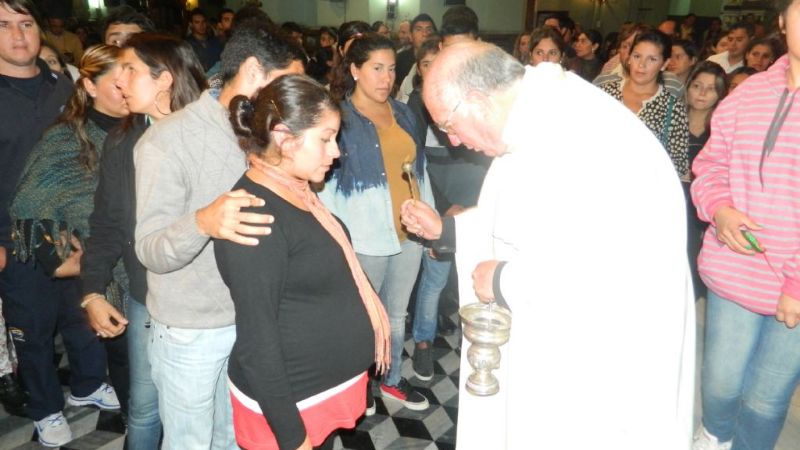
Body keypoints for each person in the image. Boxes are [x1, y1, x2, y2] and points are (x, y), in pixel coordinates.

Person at [400, 40, 694, 450]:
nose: (451, 140)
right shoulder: (533, 119)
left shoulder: (581, 135)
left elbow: (613, 268)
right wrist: (448, 232)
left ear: (477, 99)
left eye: (449, 124)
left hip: (599, 376)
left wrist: (504, 281)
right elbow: (525, 222)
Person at [133, 24, 302, 449]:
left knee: (232, 439)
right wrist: (203, 223)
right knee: (190, 442)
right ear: (252, 71)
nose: (293, 98)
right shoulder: (168, 140)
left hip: (252, 321)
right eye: (286, 83)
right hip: (192, 328)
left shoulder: (267, 134)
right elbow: (149, 248)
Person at [218, 73, 390, 450]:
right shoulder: (254, 214)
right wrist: (292, 437)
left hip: (318, 390)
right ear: (285, 138)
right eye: (325, 139)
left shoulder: (296, 192)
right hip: (289, 405)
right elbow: (257, 340)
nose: (336, 152)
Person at [79, 33, 207, 450]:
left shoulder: (212, 132)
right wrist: (92, 291)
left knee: (208, 407)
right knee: (145, 406)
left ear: (164, 79)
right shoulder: (123, 140)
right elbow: (108, 223)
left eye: (129, 71)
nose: (119, 83)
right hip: (146, 294)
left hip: (209, 301)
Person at [690, 0, 800, 448]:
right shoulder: (747, 94)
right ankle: (715, 435)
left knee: (766, 399)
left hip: (795, 287)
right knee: (719, 384)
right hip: (736, 268)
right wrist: (719, 208)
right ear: (781, 21)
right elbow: (710, 165)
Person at [9, 43, 127, 447]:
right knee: (37, 332)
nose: (128, 87)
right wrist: (59, 256)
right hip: (67, 256)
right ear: (89, 85)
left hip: (117, 261)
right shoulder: (67, 137)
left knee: (88, 333)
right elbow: (31, 200)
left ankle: (90, 385)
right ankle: (45, 408)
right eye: (118, 80)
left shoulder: (143, 126)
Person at [322, 33, 434, 412]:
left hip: (410, 233)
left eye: (391, 69)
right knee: (365, 317)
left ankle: (391, 379)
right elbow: (325, 185)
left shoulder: (403, 112)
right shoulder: (337, 118)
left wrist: (430, 222)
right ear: (354, 70)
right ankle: (360, 386)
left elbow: (421, 173)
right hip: (364, 236)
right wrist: (335, 241)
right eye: (376, 68)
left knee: (397, 313)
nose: (385, 78)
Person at [406, 36, 490, 380]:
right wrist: (444, 207)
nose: (453, 137)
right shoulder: (415, 107)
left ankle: (475, 344)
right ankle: (423, 343)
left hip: (473, 204)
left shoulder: (471, 108)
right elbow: (415, 164)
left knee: (474, 278)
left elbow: (484, 159)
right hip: (439, 206)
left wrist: (473, 205)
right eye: (425, 65)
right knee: (435, 279)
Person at [599, 30, 690, 179]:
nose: (641, 65)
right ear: (629, 58)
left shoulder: (672, 109)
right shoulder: (605, 94)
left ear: (664, 64)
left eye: (652, 59)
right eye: (637, 56)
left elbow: (678, 164)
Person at [683, 61, 727, 302]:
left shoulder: (721, 128)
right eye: (696, 85)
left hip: (705, 204)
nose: (701, 93)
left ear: (721, 94)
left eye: (710, 89)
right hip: (675, 199)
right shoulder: (674, 118)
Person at [394, 14, 435, 91]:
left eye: (429, 30)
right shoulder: (400, 59)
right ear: (411, 36)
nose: (424, 34)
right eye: (418, 29)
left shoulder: (442, 59)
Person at [186, 8, 223, 72]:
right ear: (191, 24)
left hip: (217, 79)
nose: (201, 25)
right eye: (197, 22)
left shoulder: (216, 41)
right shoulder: (186, 45)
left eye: (203, 22)